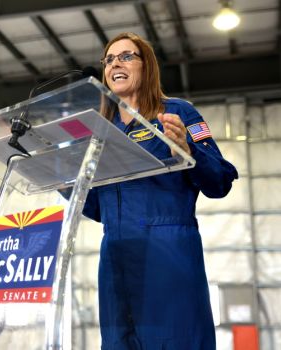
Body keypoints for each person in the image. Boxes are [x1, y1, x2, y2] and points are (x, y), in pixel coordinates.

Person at [82, 32, 238, 349]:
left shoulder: (177, 113)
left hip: (167, 252)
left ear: (147, 66)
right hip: (115, 256)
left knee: (175, 339)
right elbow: (99, 209)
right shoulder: (101, 132)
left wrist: (188, 151)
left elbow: (219, 182)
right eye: (109, 59)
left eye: (126, 56)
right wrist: (63, 181)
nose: (115, 64)